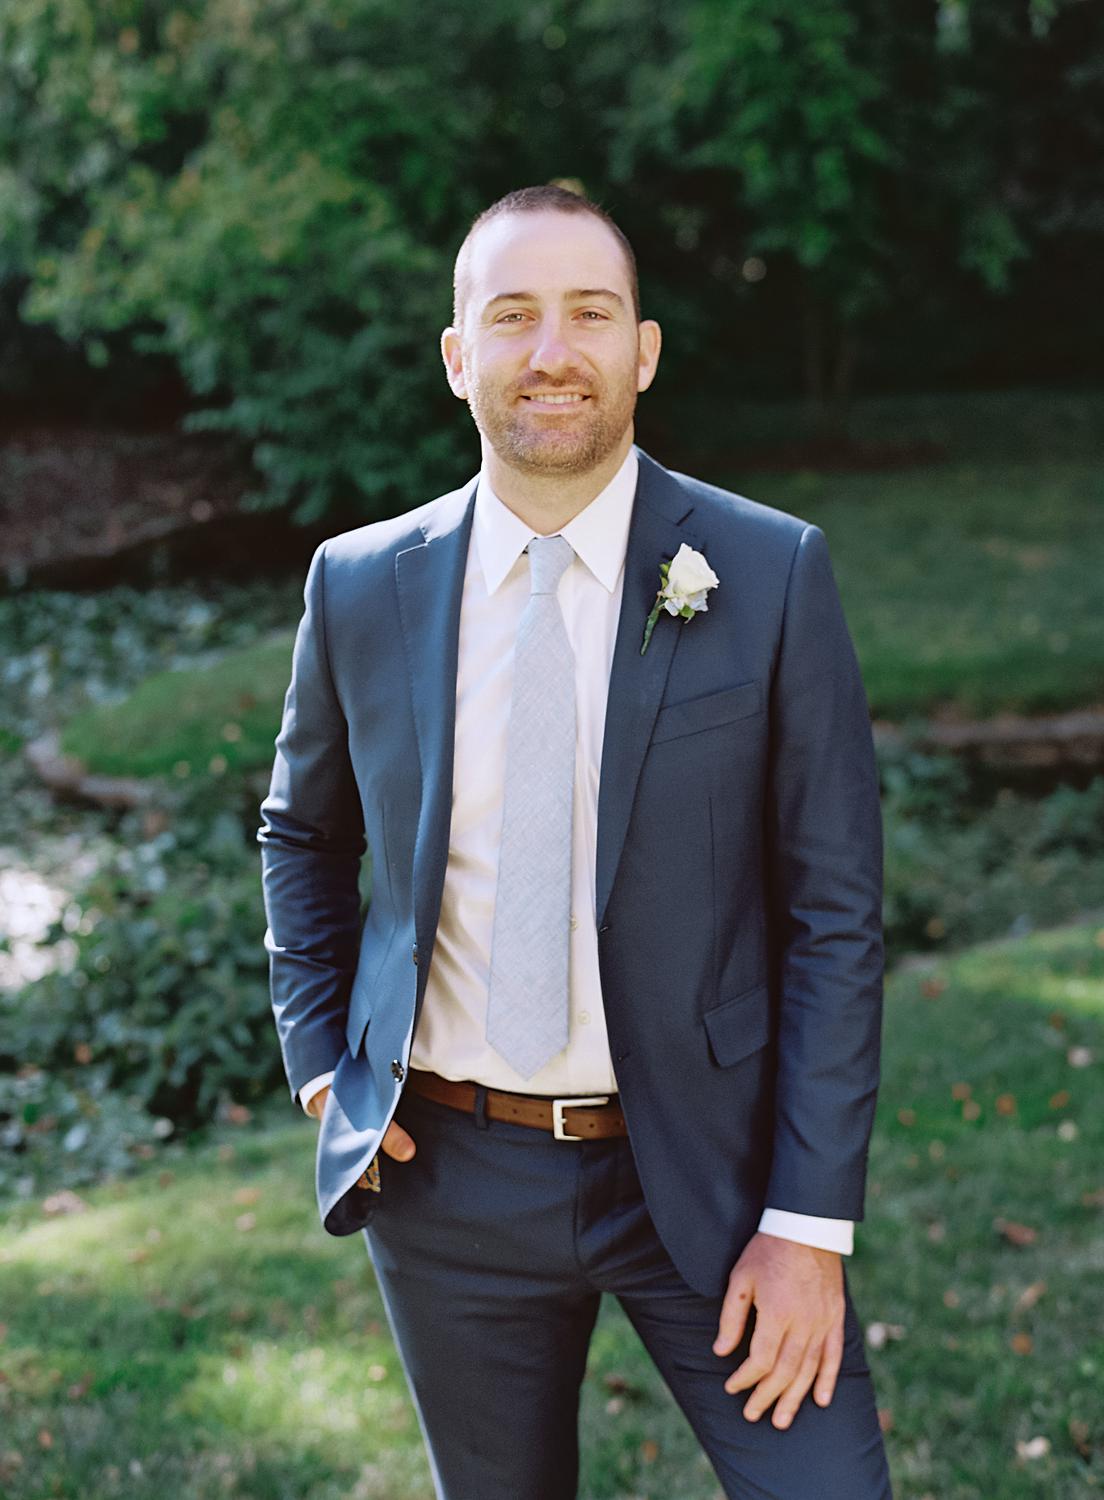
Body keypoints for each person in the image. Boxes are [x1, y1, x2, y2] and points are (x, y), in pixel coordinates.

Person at [258, 183, 893, 1499]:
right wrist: (326, 1055)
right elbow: (300, 834)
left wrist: (808, 1222)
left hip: (712, 1174)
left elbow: (837, 910)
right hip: (450, 1182)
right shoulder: (361, 585)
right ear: (458, 357)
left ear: (643, 351)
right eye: (513, 317)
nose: (553, 351)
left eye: (590, 313)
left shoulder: (769, 572)